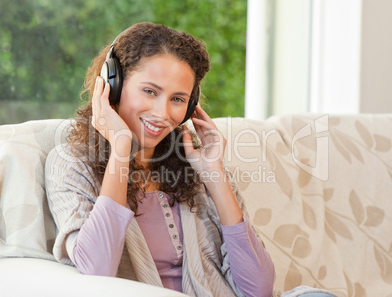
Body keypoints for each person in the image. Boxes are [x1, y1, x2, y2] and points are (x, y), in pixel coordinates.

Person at [45, 22, 276, 297]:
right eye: (150, 91)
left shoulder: (194, 166)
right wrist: (121, 149)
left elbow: (259, 290)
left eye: (178, 99)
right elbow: (97, 271)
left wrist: (214, 176)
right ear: (112, 86)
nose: (162, 113)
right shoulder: (70, 164)